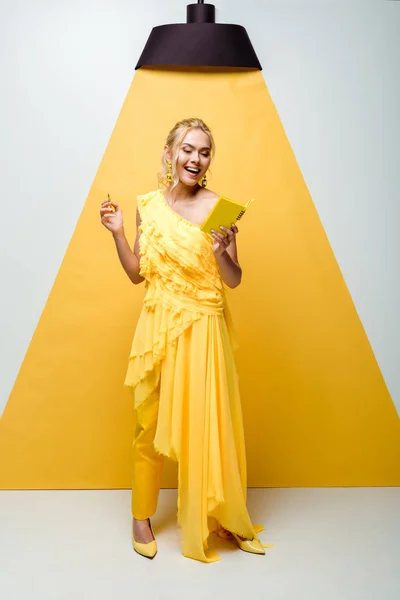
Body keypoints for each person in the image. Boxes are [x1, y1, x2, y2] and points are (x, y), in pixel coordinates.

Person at [99, 117, 267, 563]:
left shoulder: (222, 209)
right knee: (147, 425)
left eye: (205, 151)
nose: (196, 158)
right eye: (188, 149)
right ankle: (141, 516)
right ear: (171, 153)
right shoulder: (147, 205)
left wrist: (220, 251)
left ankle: (221, 513)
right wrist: (118, 233)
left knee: (208, 425)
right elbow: (138, 274)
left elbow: (234, 279)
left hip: (204, 329)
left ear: (210, 159)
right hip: (158, 325)